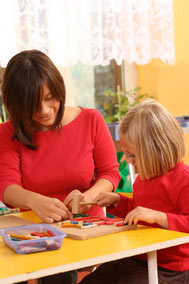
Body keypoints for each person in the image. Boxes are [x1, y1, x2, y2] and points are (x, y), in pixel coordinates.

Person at [0, 50, 120, 284]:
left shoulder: (91, 120)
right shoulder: (7, 133)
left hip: (86, 230)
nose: (45, 110)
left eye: (49, 98)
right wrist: (35, 201)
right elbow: (6, 187)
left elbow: (110, 173)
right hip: (35, 236)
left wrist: (89, 197)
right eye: (33, 105)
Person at [79, 99, 189, 284]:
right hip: (136, 257)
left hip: (170, 269)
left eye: (132, 155)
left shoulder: (183, 179)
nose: (127, 160)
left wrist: (159, 217)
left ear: (155, 151)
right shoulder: (143, 178)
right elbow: (140, 209)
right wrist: (117, 202)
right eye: (125, 153)